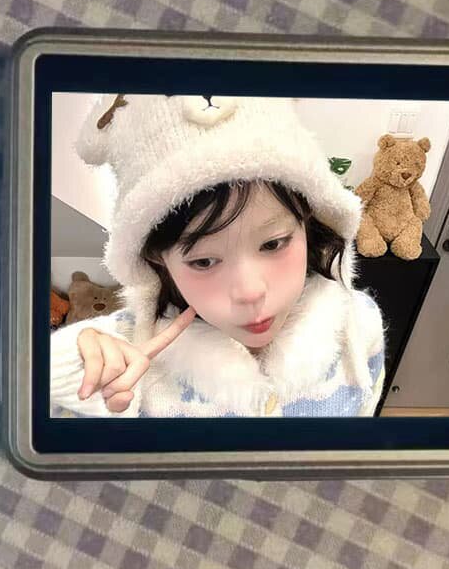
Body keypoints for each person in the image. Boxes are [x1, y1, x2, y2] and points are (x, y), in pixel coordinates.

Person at [50, 93, 387, 417]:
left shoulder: (361, 326)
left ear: (311, 223)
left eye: (273, 244)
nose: (250, 292)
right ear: (156, 258)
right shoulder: (123, 362)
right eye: (204, 261)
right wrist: (65, 377)